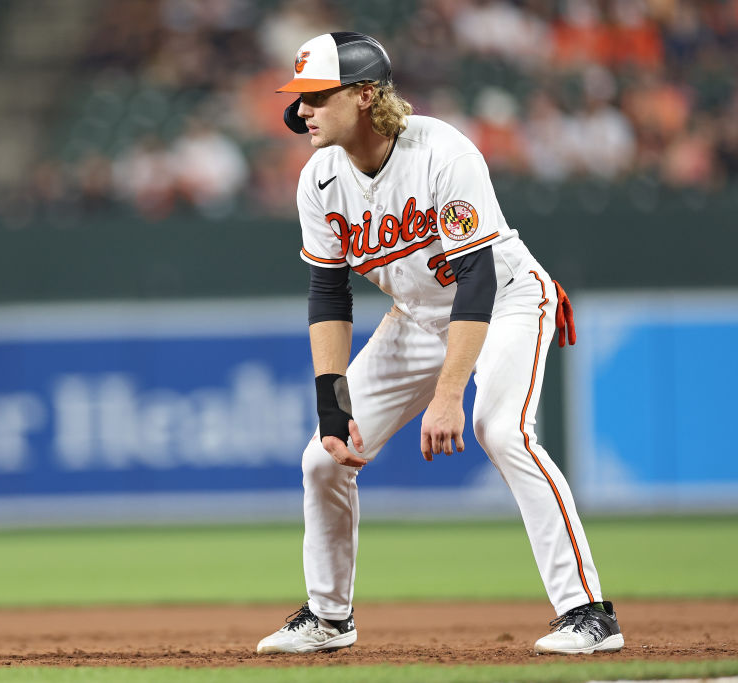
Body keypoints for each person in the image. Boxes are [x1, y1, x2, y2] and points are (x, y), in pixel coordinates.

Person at [255, 32, 624, 656]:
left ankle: (589, 613)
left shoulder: (441, 152)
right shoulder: (318, 179)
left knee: (501, 429)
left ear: (367, 94)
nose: (304, 110)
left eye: (318, 95)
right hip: (418, 317)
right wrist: (331, 401)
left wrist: (451, 393)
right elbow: (329, 295)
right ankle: (328, 617)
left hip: (503, 299)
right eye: (301, 98)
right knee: (322, 458)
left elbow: (476, 276)